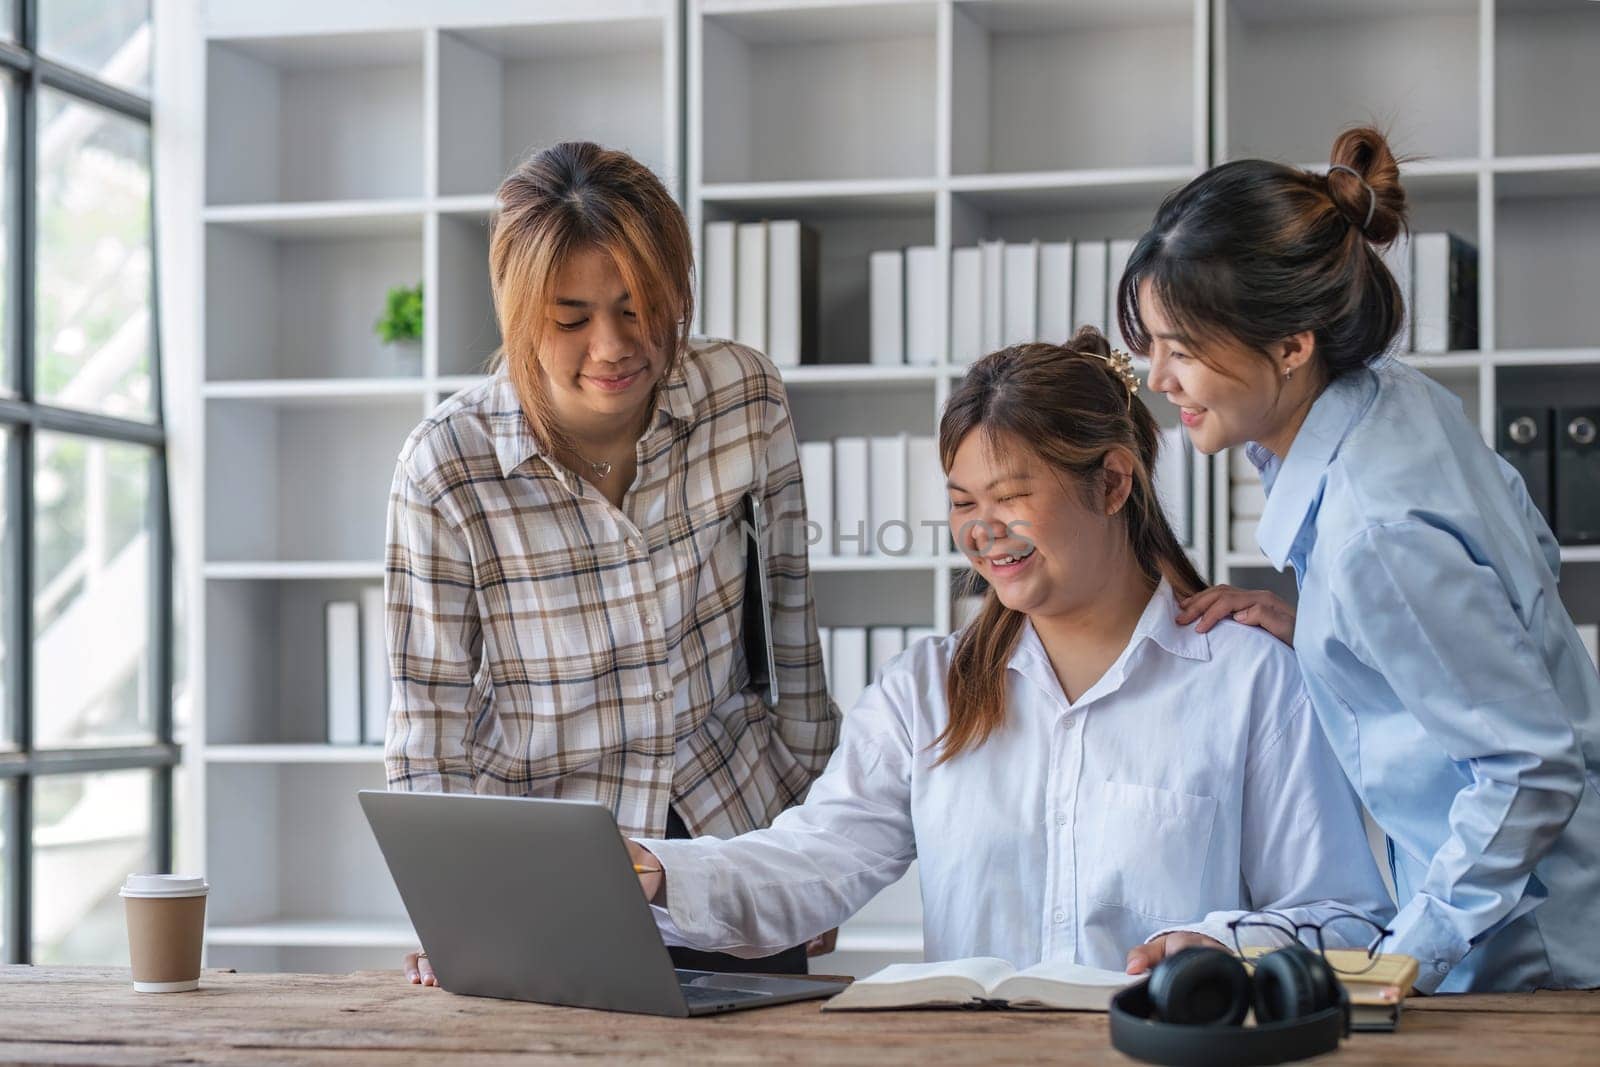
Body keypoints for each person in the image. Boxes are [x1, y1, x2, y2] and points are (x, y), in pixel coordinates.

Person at [624, 330, 1394, 976]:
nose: (983, 531)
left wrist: (1221, 946)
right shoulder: (925, 690)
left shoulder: (1249, 677)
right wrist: (662, 875)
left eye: (1011, 496)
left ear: (1114, 481)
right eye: (964, 502)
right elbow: (812, 858)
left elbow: (1346, 918)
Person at [1121, 125, 1600, 993]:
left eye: (1182, 349)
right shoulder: (1390, 397)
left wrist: (1399, 959)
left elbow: (1531, 767)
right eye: (1153, 344)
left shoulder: (1371, 530)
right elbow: (1525, 561)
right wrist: (1332, 634)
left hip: (1538, 953)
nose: (1158, 378)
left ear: (1292, 345)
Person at [382, 142, 840, 983]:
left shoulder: (744, 397)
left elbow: (792, 636)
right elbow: (428, 719)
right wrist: (449, 907)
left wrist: (808, 860)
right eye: (572, 318)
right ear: (521, 315)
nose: (614, 345)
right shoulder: (446, 464)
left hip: (733, 843)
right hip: (545, 882)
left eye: (640, 308)